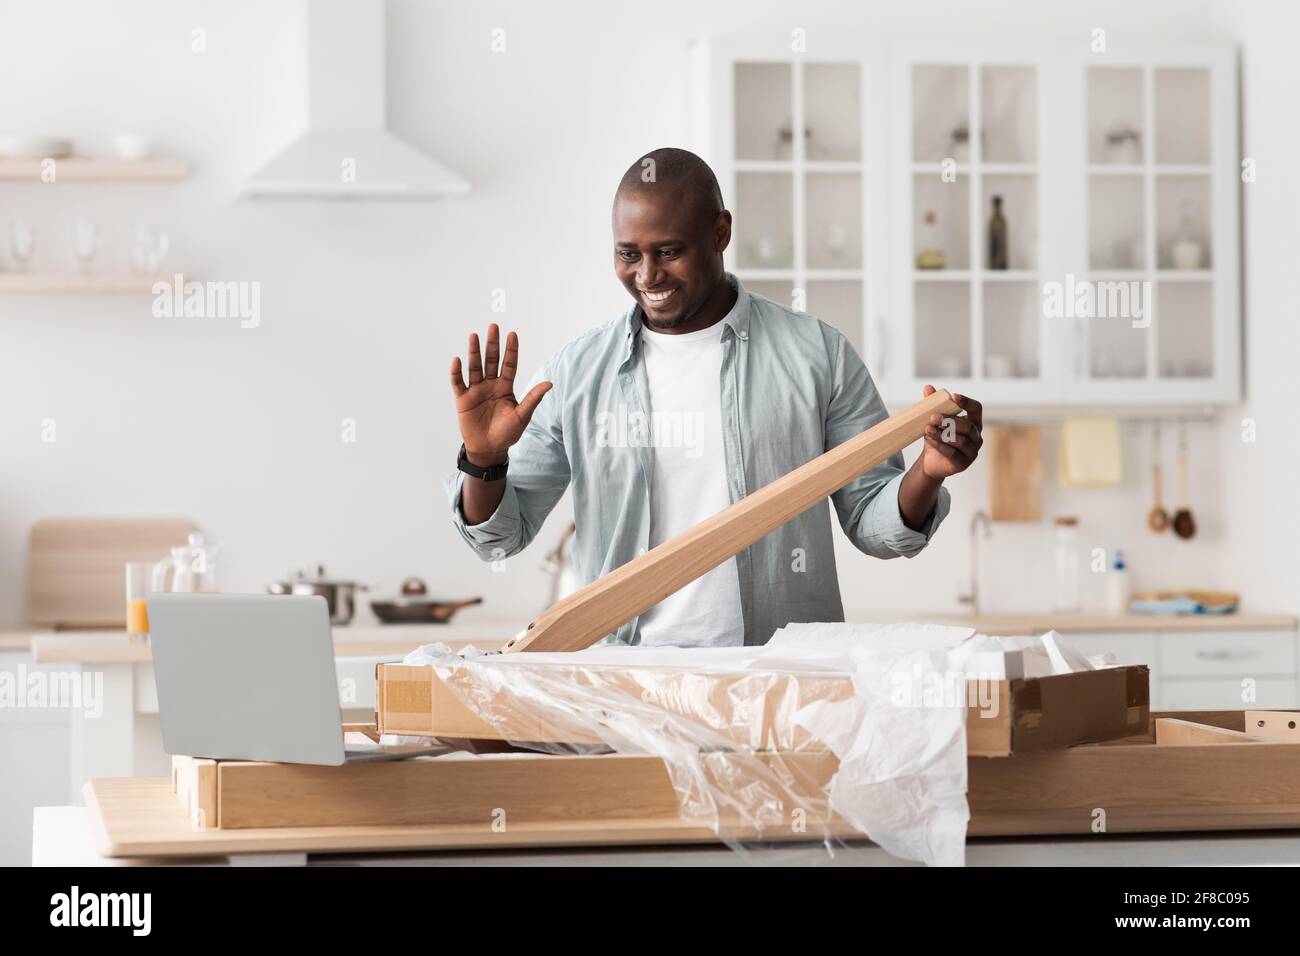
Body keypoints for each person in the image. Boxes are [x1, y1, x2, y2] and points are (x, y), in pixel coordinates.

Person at [446, 147, 982, 647]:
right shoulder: (578, 372)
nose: (648, 275)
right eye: (628, 254)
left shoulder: (818, 354)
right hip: (625, 679)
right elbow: (500, 538)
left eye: (670, 252)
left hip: (777, 676)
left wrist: (928, 471)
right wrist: (485, 461)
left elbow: (875, 526)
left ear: (721, 232)